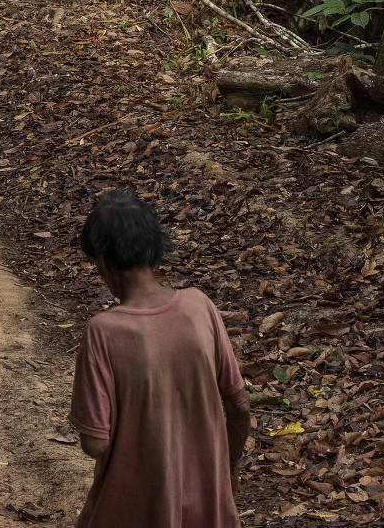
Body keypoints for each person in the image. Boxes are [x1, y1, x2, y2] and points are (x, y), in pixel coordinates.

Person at [68, 190, 251, 528]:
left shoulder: (103, 332)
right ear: (153, 250)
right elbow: (239, 404)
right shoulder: (200, 306)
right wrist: (230, 462)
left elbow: (95, 442)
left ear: (104, 262)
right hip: (206, 507)